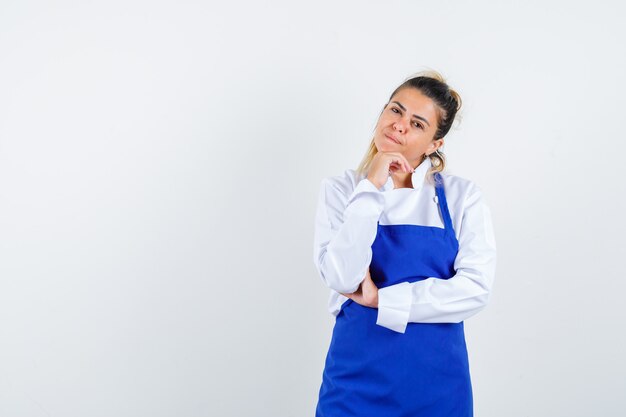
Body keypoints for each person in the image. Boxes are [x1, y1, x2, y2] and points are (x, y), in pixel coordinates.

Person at [312, 70, 497, 416]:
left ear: (434, 145)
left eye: (417, 123)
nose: (399, 125)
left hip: (438, 387)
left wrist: (383, 299)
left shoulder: (461, 197)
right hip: (354, 384)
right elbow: (341, 276)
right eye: (396, 111)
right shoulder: (341, 190)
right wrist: (370, 187)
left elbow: (475, 288)